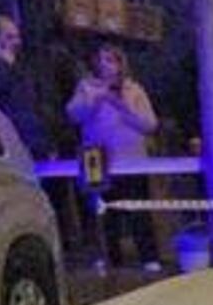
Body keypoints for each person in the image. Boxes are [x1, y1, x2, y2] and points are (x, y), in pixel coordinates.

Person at [66, 41, 162, 273]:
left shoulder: (134, 89)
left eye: (110, 59)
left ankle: (148, 256)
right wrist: (96, 99)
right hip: (97, 159)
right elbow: (74, 115)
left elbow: (150, 124)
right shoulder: (86, 87)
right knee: (103, 210)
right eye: (101, 59)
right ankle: (109, 256)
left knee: (139, 208)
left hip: (131, 160)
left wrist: (123, 108)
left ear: (120, 64)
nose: (105, 64)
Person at [0, 14, 51, 159]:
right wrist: (2, 65)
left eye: (17, 37)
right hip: (5, 150)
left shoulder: (21, 69)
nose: (17, 42)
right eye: (9, 37)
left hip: (31, 148)